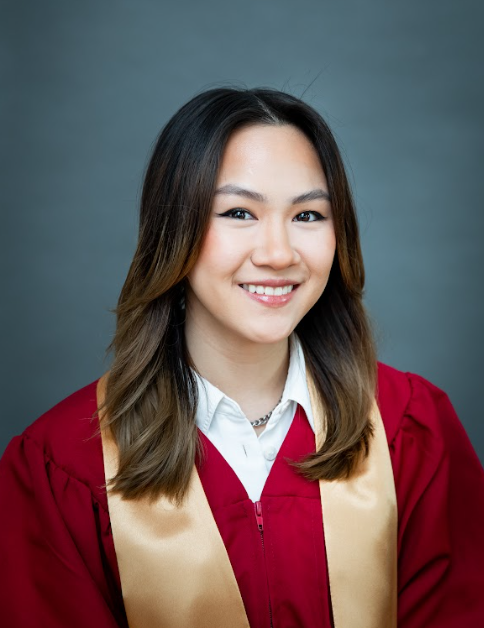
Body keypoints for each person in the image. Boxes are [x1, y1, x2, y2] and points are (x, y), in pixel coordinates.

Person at [1, 87, 483, 628]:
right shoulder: (65, 466)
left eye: (308, 215)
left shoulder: (408, 430)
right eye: (238, 212)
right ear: (174, 229)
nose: (278, 254)